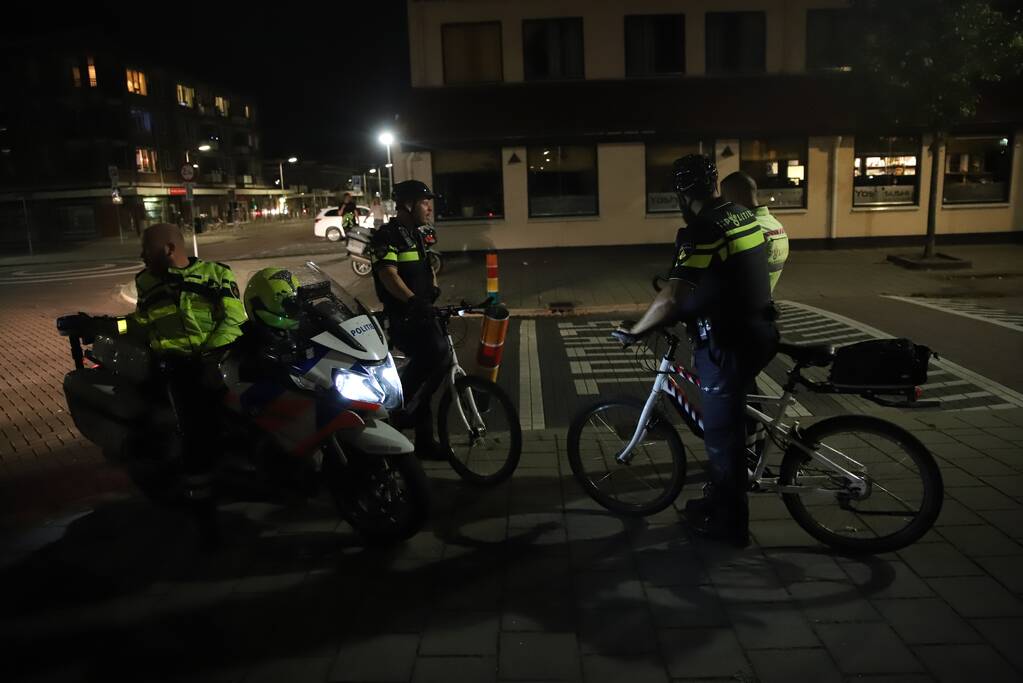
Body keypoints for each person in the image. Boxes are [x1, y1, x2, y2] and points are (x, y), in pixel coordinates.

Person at [619, 155, 778, 547]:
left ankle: (731, 526)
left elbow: (673, 294)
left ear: (681, 194)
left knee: (722, 439)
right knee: (732, 422)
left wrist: (639, 330)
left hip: (728, 344)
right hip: (762, 331)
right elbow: (726, 274)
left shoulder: (700, 229)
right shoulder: (740, 214)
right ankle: (716, 497)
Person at [86, 223, 247, 545]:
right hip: (177, 367)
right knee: (197, 437)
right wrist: (103, 325)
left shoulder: (216, 274)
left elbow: (234, 319)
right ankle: (206, 520)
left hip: (217, 360)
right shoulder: (146, 282)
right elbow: (140, 321)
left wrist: (210, 357)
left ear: (169, 250)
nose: (142, 256)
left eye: (147, 249)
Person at [368, 180, 449, 461]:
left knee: (435, 362)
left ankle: (425, 442)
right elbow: (389, 275)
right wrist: (413, 300)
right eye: (425, 202)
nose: (429, 207)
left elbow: (428, 267)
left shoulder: (417, 234)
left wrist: (433, 289)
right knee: (435, 354)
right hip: (404, 317)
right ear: (408, 205)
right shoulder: (387, 237)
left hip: (423, 312)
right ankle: (401, 409)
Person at [721, 171, 789, 292]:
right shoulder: (776, 225)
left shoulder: (748, 229)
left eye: (725, 197)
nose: (724, 203)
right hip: (765, 299)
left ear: (736, 195)